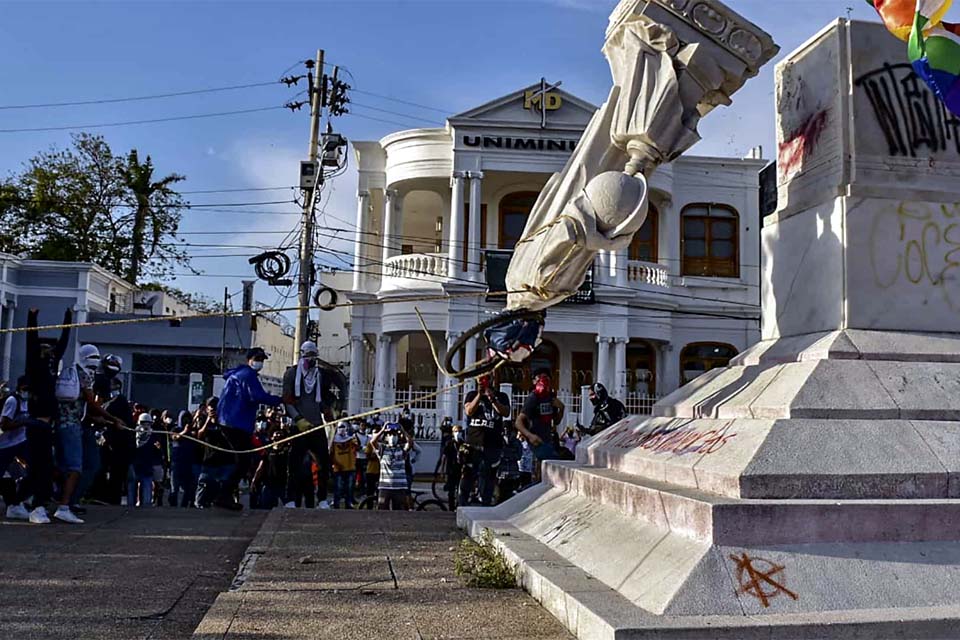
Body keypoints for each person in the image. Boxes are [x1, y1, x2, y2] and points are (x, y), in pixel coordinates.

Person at [57, 343, 124, 523]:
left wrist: (102, 419)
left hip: (70, 424)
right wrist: (113, 419)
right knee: (76, 467)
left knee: (71, 466)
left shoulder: (75, 373)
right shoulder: (84, 376)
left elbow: (86, 407)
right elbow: (92, 404)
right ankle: (65, 505)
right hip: (73, 426)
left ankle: (66, 502)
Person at [217, 347, 282, 510]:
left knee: (239, 461)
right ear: (250, 359)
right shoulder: (247, 375)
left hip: (230, 421)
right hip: (236, 423)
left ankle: (225, 494)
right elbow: (257, 396)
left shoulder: (237, 374)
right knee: (243, 461)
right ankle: (223, 495)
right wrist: (279, 400)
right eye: (258, 358)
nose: (260, 362)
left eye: (262, 359)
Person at [23, 308, 71, 524]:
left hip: (47, 425)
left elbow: (63, 343)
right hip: (36, 423)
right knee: (42, 468)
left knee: (39, 468)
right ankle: (37, 507)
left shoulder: (52, 366)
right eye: (45, 348)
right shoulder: (34, 365)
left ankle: (17, 501)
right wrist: (32, 318)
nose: (49, 350)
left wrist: (68, 319)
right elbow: (31, 340)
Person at [282, 341, 335, 509]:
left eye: (314, 356)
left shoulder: (319, 375)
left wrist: (327, 412)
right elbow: (288, 401)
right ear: (302, 355)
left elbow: (321, 400)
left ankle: (322, 499)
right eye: (308, 355)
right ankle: (290, 499)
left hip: (317, 425)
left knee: (323, 464)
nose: (311, 359)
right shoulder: (291, 374)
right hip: (299, 426)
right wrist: (298, 418)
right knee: (294, 465)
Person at [460, 374, 511, 507]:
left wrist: (492, 398)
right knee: (468, 475)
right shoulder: (472, 395)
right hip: (473, 443)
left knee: (488, 477)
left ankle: (485, 505)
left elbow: (505, 412)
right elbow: (469, 411)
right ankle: (462, 504)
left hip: (492, 444)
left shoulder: (502, 396)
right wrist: (479, 395)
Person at [515, 369, 564, 482]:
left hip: (548, 439)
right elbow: (518, 422)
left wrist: (561, 409)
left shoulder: (550, 397)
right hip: (536, 441)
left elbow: (556, 421)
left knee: (548, 474)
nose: (543, 379)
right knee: (554, 464)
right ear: (534, 381)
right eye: (539, 377)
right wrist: (530, 435)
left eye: (545, 377)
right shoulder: (533, 398)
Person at [0, 376, 34, 520]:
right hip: (5, 444)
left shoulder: (27, 401)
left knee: (36, 468)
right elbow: (4, 424)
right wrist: (24, 422)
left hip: (20, 442)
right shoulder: (12, 401)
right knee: (3, 475)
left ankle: (21, 499)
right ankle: (12, 504)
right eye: (25, 389)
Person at [195, 397, 235, 509]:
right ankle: (200, 504)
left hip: (225, 459)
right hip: (210, 459)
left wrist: (218, 421)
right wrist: (208, 421)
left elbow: (231, 436)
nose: (213, 408)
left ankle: (221, 502)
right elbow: (199, 436)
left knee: (224, 484)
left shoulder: (226, 419)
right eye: (210, 406)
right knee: (204, 483)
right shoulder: (203, 420)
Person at [370, 422, 412, 511]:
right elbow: (372, 441)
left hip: (400, 487)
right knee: (382, 511)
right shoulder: (383, 449)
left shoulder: (401, 449)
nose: (392, 437)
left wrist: (402, 430)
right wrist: (382, 429)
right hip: (385, 487)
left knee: (399, 512)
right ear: (386, 437)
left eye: (394, 435)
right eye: (390, 435)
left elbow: (410, 442)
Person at [169, 410, 199, 507]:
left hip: (188, 463)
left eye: (187, 418)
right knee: (175, 488)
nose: (186, 420)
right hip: (176, 463)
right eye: (184, 418)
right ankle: (173, 505)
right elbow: (174, 437)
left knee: (188, 488)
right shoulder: (175, 429)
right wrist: (184, 432)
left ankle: (184, 505)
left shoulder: (192, 431)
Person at [128, 413, 158, 508]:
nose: (145, 426)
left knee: (146, 494)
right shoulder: (133, 434)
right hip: (134, 466)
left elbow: (157, 451)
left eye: (148, 423)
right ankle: (130, 508)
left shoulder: (153, 436)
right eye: (143, 423)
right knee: (131, 493)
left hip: (147, 467)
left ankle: (145, 509)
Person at [329, 424, 359, 509]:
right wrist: (334, 463)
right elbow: (330, 453)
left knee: (349, 488)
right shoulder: (333, 441)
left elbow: (357, 446)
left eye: (343, 427)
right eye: (340, 428)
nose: (342, 429)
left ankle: (348, 504)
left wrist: (353, 435)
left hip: (350, 467)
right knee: (338, 488)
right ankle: (336, 505)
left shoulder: (351, 439)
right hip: (338, 468)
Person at [496, 426, 524, 504]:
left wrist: (507, 454)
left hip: (513, 471)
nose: (506, 432)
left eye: (508, 430)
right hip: (501, 471)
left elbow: (519, 455)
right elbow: (497, 454)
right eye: (504, 429)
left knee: (510, 496)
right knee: (501, 494)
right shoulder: (498, 441)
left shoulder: (516, 442)